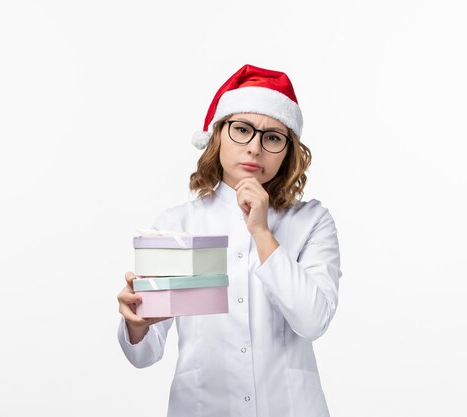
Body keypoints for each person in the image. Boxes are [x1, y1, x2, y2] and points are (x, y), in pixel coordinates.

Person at [117, 64, 342, 417]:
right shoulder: (177, 224)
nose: (254, 148)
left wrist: (262, 232)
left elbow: (312, 321)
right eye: (242, 130)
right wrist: (135, 324)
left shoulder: (311, 221)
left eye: (272, 137)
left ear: (287, 150)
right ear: (218, 135)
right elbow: (144, 356)